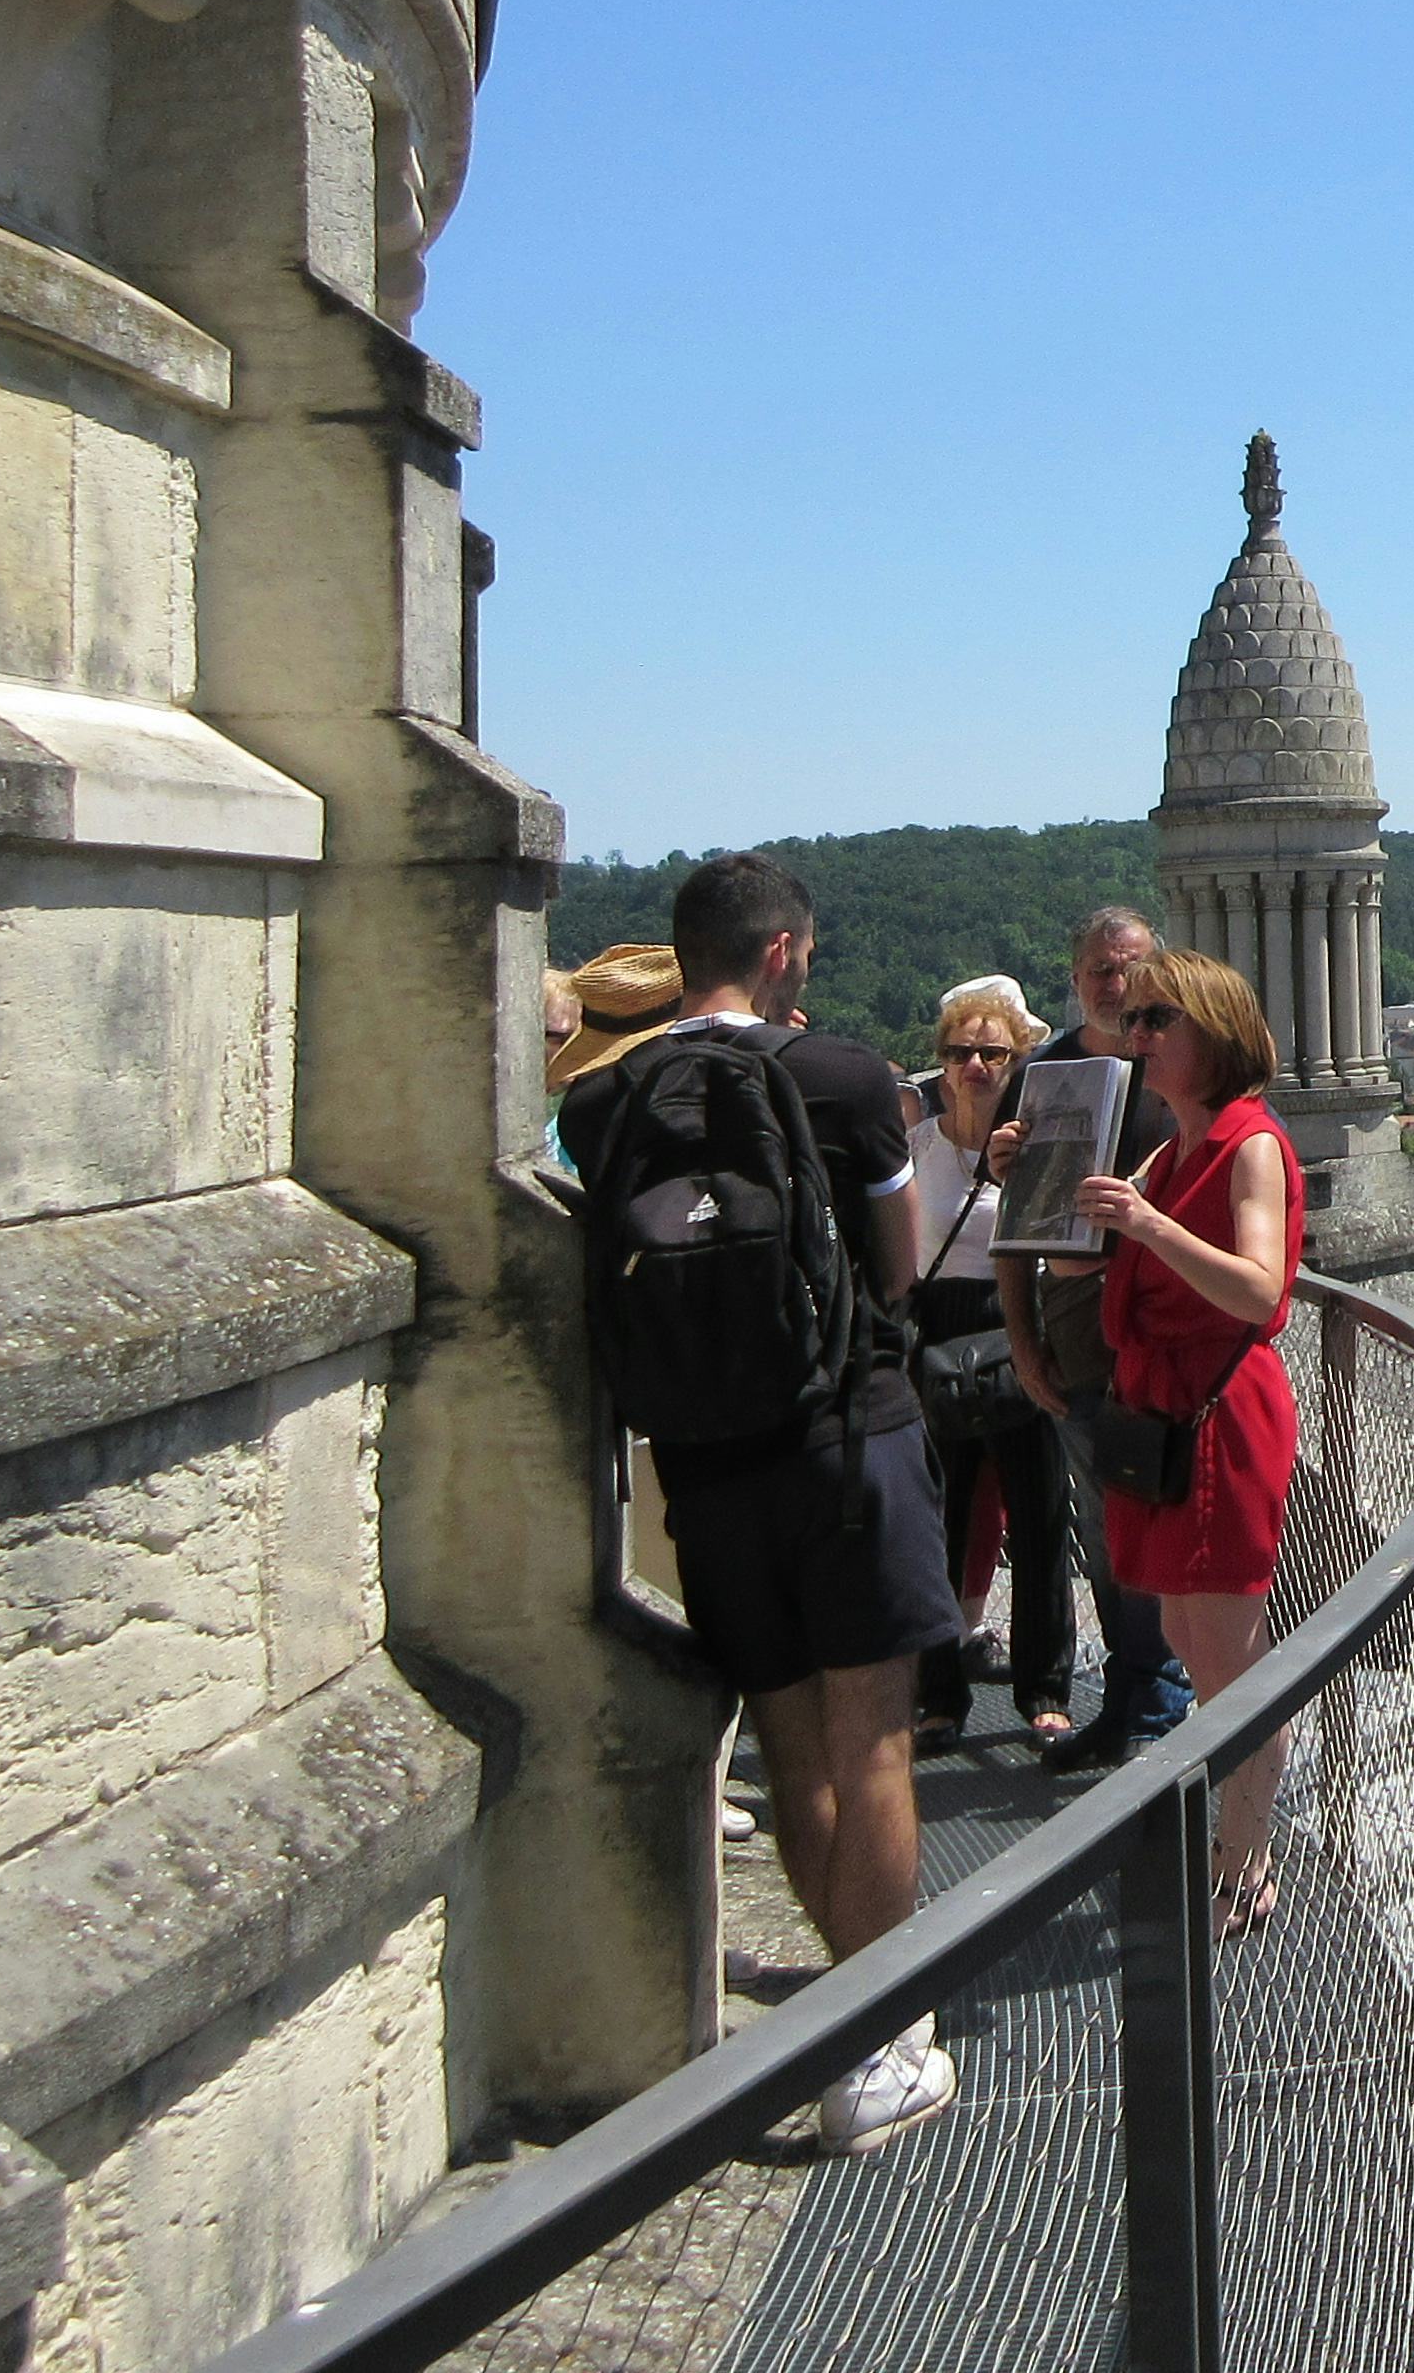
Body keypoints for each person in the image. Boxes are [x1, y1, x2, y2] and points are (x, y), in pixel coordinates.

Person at [557, 854, 958, 2155]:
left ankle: (848, 2017)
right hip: (849, 1439)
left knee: (792, 1751)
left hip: (705, 1465)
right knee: (874, 1742)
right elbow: (897, 1272)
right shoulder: (841, 1080)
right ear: (780, 953)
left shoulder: (607, 1101)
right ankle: (881, 2041)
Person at [1061, 942, 1303, 1939]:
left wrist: (1150, 1227)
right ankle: (1230, 1847)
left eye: (1160, 1020)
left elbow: (1260, 1290)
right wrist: (1034, 1183)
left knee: (1232, 1652)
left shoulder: (1249, 1143)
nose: (1139, 1036)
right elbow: (1087, 1268)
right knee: (1188, 1641)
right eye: (1135, 1021)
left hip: (1219, 1416)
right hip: (1165, 1413)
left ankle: (1246, 1862)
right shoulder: (1170, 1148)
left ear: (1215, 1033)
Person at [993, 905, 1194, 1769]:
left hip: (1173, 1348)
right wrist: (1022, 1342)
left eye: (1131, 969)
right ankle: (1137, 1694)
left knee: (1177, 1524)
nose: (1116, 986)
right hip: (1079, 1350)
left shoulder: (1183, 1070)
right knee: (1107, 1531)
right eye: (1100, 971)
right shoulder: (1041, 1077)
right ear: (1075, 980)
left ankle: (1172, 1700)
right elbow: (1011, 1229)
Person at [906, 974, 1076, 1748]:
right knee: (937, 1520)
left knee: (1040, 1515)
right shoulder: (914, 1150)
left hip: (1018, 1320)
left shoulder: (1041, 1149)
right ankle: (938, 1693)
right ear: (940, 1062)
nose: (974, 1066)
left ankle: (1046, 1689)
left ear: (1020, 1061)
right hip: (939, 1326)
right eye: (960, 1052)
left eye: (992, 1052)